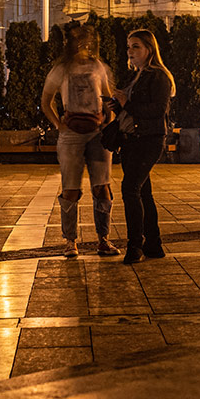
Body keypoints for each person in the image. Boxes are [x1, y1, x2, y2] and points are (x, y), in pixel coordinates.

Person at [41, 24, 119, 258]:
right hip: (71, 134)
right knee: (70, 189)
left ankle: (103, 240)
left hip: (97, 132)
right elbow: (46, 100)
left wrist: (109, 122)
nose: (83, 44)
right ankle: (70, 241)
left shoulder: (97, 66)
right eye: (78, 39)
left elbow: (108, 97)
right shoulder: (61, 68)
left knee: (102, 186)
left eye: (86, 39)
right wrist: (58, 124)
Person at [115, 28, 175, 264]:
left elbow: (157, 110)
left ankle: (134, 246)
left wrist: (126, 103)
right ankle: (153, 244)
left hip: (148, 139)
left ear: (149, 49)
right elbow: (133, 107)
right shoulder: (138, 75)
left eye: (136, 46)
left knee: (130, 190)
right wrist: (117, 105)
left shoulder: (158, 75)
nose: (130, 51)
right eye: (128, 47)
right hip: (132, 140)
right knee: (143, 193)